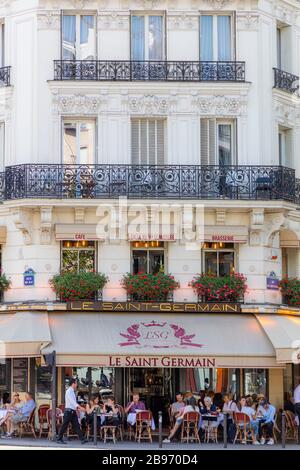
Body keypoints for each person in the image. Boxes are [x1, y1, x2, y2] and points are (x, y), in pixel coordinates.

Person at [56, 378, 87, 445]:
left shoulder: (72, 391)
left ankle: (82, 439)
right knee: (64, 425)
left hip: (72, 411)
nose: (77, 384)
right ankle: (59, 439)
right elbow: (72, 402)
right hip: (69, 412)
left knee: (77, 425)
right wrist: (80, 407)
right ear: (73, 384)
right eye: (76, 383)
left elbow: (73, 403)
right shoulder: (69, 391)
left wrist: (77, 409)